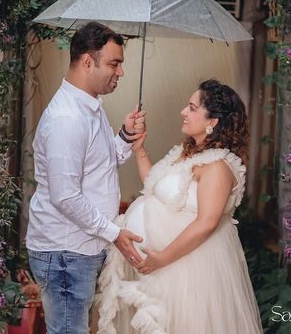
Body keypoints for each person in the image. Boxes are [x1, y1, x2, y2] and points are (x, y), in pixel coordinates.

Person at [96, 79, 263, 334]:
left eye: (192, 108)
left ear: (213, 122)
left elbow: (207, 222)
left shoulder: (217, 167)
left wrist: (162, 258)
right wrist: (139, 149)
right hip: (163, 268)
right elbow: (155, 186)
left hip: (187, 269)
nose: (183, 112)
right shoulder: (186, 153)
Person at [26, 22, 146, 334]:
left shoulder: (88, 108)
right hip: (65, 251)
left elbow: (100, 167)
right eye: (114, 64)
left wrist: (125, 136)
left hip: (78, 249)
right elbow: (65, 195)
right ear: (87, 62)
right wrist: (113, 233)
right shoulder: (68, 118)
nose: (120, 72)